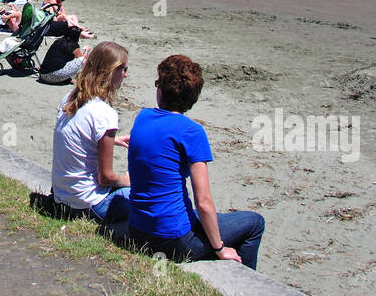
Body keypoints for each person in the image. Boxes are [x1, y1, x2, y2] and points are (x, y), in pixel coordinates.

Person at [126, 54, 266, 266]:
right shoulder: (191, 132)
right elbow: (204, 201)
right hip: (173, 240)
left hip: (137, 229)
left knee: (200, 216)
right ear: (193, 97)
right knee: (255, 222)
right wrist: (219, 248)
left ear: (160, 90)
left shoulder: (143, 117)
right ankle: (245, 284)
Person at [51, 42, 130, 222]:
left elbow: (77, 133)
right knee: (143, 194)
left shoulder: (70, 98)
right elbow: (106, 177)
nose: (126, 74)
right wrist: (126, 181)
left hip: (61, 196)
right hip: (86, 204)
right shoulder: (105, 113)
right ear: (111, 71)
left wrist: (112, 140)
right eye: (123, 69)